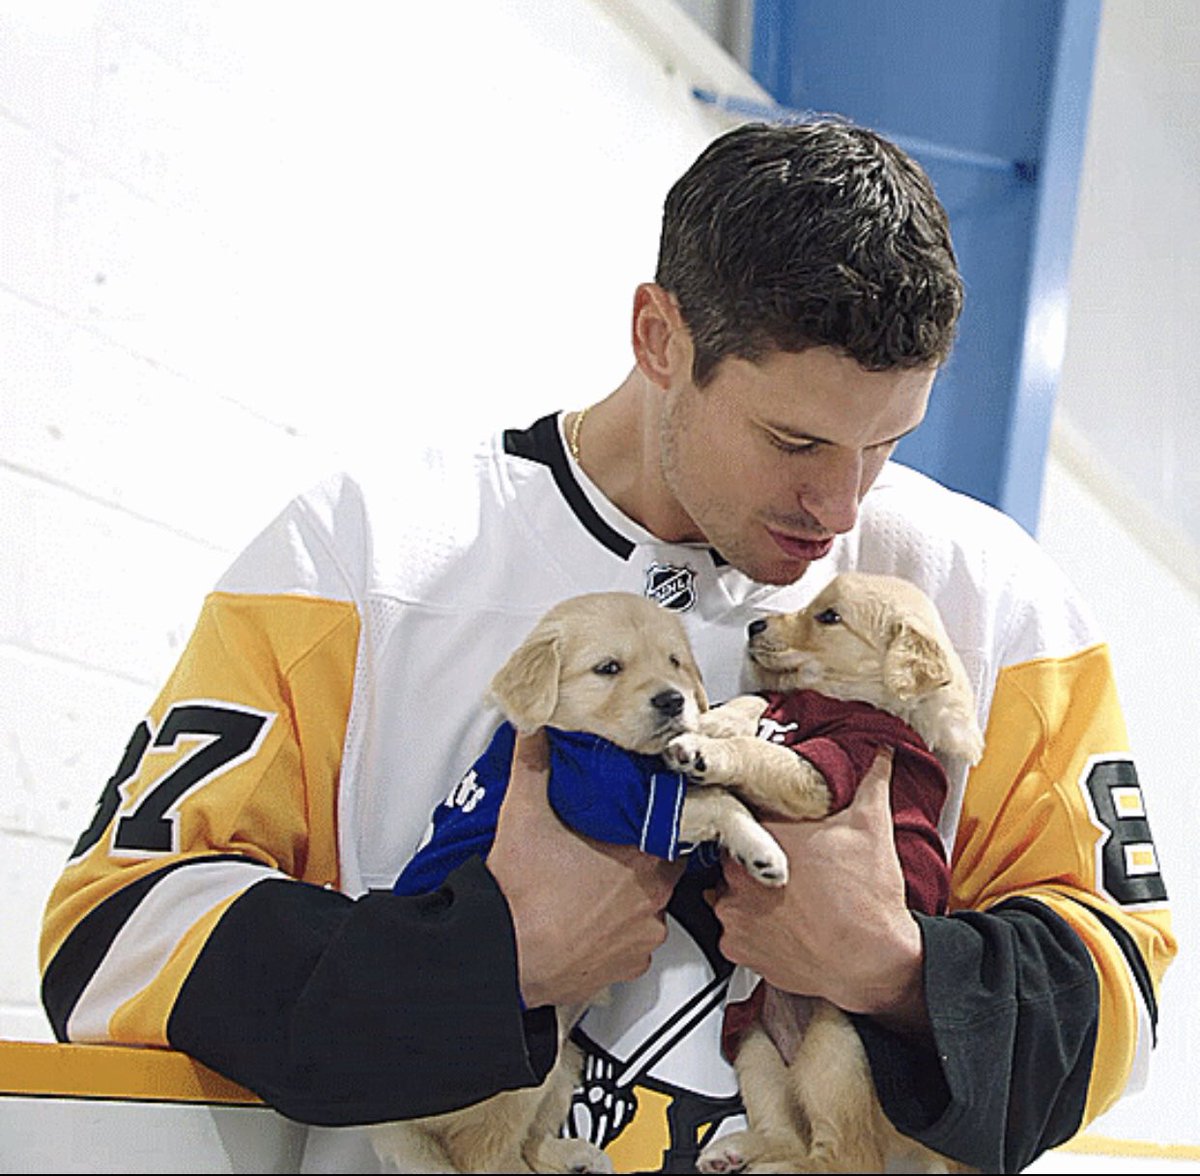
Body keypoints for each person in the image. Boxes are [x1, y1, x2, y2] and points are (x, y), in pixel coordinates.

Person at [39, 120, 1174, 1174]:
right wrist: (489, 959)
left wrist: (894, 970)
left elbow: (1120, 985)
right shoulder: (366, 557)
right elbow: (112, 936)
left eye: (886, 442)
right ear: (660, 337)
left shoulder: (988, 603)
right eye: (795, 438)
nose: (840, 503)